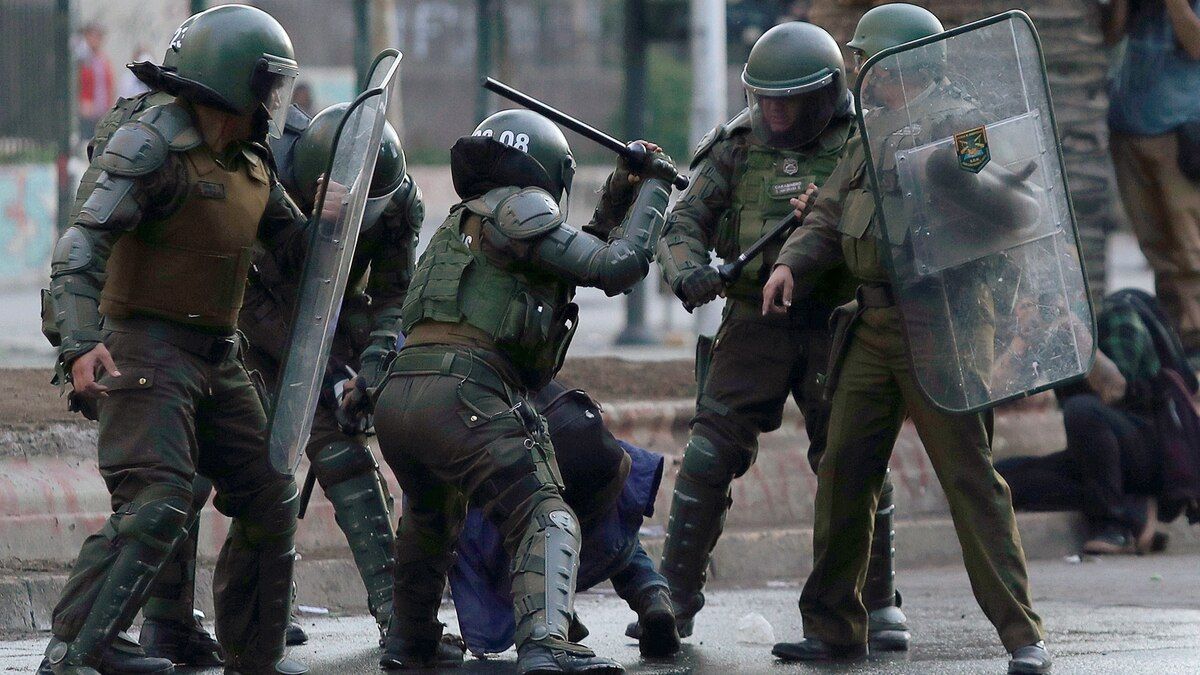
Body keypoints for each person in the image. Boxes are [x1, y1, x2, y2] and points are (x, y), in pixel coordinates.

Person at [762, 5, 1051, 673]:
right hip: (871, 324)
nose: (858, 70)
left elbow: (1016, 207)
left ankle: (1022, 634)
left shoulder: (965, 123)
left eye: (867, 59)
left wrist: (950, 176)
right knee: (843, 473)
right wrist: (791, 263)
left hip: (943, 323)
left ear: (903, 64)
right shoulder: (870, 130)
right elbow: (830, 212)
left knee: (969, 478)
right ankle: (834, 627)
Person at [41, 5, 311, 674]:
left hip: (217, 355)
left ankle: (254, 654)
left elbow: (299, 247)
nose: (275, 100)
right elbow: (81, 247)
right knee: (158, 500)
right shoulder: (152, 144)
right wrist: (79, 343)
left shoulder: (249, 159)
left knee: (270, 496)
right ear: (232, 80)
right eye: (268, 83)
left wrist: (345, 214)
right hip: (143, 350)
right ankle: (75, 651)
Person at [371, 108, 674, 673]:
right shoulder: (519, 207)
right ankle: (546, 644)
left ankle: (409, 641)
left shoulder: (465, 223)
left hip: (401, 398)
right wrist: (657, 184)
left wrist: (619, 192)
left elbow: (573, 259)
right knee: (543, 513)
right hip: (464, 394)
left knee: (430, 519)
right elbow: (619, 266)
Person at [646, 20, 909, 651]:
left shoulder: (865, 141)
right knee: (708, 453)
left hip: (838, 322)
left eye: (789, 102)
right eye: (765, 100)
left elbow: (903, 221)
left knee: (853, 456)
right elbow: (683, 223)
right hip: (753, 322)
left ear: (824, 95)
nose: (775, 114)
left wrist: (836, 215)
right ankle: (672, 599)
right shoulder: (736, 146)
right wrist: (688, 272)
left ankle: (877, 602)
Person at [135, 100, 427, 662]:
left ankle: (398, 618)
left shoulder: (396, 201)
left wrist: (368, 373)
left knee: (341, 454)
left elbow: (395, 297)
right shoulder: (260, 179)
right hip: (245, 325)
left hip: (326, 322)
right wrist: (319, 368)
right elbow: (243, 290)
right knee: (203, 466)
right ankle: (168, 620)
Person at [449, 380, 678, 658]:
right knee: (612, 522)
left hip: (526, 475)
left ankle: (551, 618)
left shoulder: (443, 380)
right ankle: (651, 594)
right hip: (581, 446)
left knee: (490, 534)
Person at [998, 288, 1200, 554]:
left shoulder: (1117, 315)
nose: (1042, 311)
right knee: (1001, 481)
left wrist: (1077, 333)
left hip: (1155, 452)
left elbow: (1115, 389)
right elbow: (994, 390)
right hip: (1100, 466)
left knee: (1082, 409)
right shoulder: (1047, 338)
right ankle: (1135, 508)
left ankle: (1114, 525)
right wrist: (1022, 340)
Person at [1104, 0, 1200, 364]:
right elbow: (1111, 35)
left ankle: (1195, 341)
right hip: (1128, 127)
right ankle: (1176, 341)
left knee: (1189, 248)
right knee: (1156, 248)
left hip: (1180, 132)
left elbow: (1196, 45)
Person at [77, 22, 115, 139]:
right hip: (87, 109)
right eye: (92, 36)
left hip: (102, 110)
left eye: (98, 36)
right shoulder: (82, 59)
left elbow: (109, 85)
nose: (95, 40)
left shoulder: (104, 60)